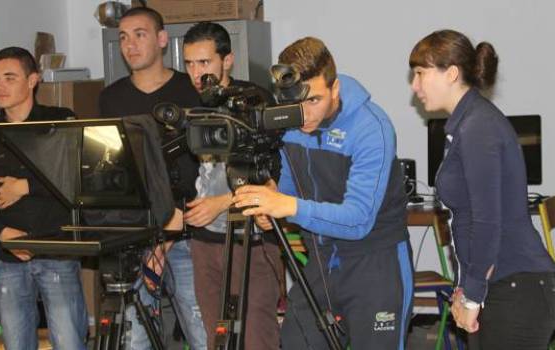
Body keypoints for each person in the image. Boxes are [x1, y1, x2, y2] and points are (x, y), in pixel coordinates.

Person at [232, 37, 414, 349]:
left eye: (314, 100)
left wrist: (287, 206)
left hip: (375, 263)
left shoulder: (371, 128)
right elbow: (290, 188)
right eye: (297, 103)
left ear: (335, 89)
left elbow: (357, 221)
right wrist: (272, 200)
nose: (304, 114)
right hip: (320, 259)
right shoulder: (292, 124)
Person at [409, 29, 555, 349]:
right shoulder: (465, 125)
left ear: (451, 74)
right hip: (501, 285)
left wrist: (472, 295)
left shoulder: (479, 126)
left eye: (420, 73)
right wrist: (465, 288)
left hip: (516, 289)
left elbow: (488, 220)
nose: (414, 85)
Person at [0, 46, 88, 349]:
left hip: (57, 251)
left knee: (69, 342)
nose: (0, 87)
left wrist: (26, 186)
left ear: (33, 80)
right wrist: (4, 234)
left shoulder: (60, 121)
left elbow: (81, 177)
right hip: (10, 258)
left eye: (9, 78)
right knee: (16, 344)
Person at [97, 7, 207, 350]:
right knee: (134, 337)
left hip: (187, 234)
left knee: (199, 329)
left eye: (139, 34)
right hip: (133, 239)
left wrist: (173, 226)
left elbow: (204, 168)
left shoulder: (191, 92)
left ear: (162, 39)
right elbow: (109, 169)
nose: (130, 45)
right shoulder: (110, 98)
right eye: (123, 38)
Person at [181, 22, 282, 350]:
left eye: (204, 62)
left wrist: (223, 202)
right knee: (217, 340)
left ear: (228, 61)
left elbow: (273, 174)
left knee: (256, 338)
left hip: (250, 240)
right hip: (204, 241)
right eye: (189, 64)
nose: (197, 73)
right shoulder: (190, 105)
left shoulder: (253, 100)